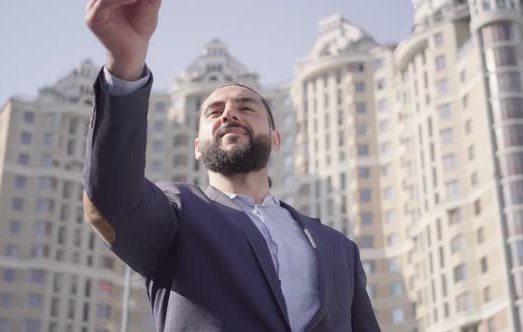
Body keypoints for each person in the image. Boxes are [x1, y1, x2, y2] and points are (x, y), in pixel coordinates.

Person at [83, 0, 380, 331]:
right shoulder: (176, 215)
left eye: (247, 107)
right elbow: (110, 200)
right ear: (197, 147)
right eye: (214, 112)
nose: (228, 114)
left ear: (277, 139)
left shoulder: (339, 248)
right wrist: (125, 64)